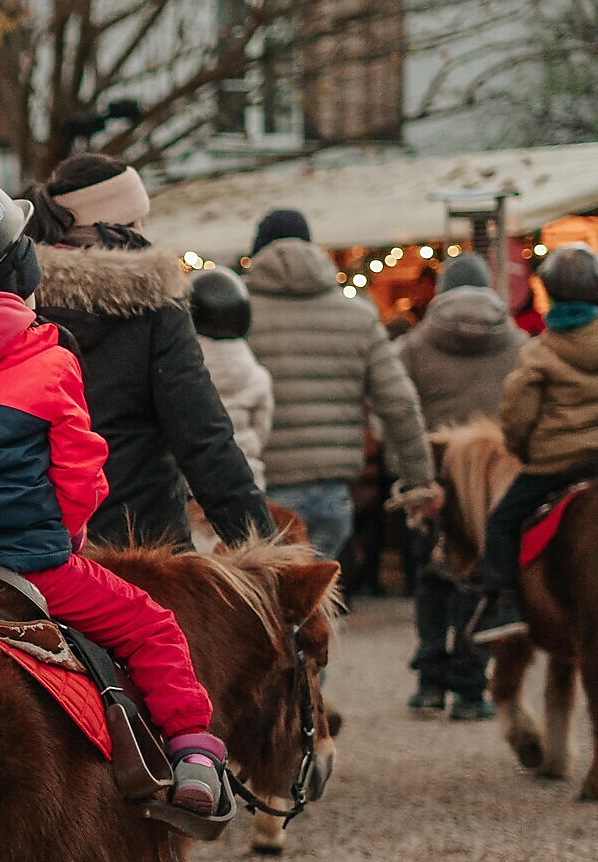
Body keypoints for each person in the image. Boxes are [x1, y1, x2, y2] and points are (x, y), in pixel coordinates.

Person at [0, 176, 229, 816]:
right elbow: (80, 470)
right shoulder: (50, 360)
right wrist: (64, 537)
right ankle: (190, 753)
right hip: (28, 566)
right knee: (151, 627)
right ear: (18, 267)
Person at [25, 155, 273, 549]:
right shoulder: (154, 303)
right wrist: (262, 544)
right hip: (144, 547)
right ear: (115, 229)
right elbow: (202, 437)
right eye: (138, 224)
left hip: (39, 546)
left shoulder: (16, 300)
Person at [243, 207, 440, 560]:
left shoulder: (235, 317)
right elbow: (398, 402)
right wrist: (419, 480)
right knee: (318, 588)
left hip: (258, 492)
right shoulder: (358, 317)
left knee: (263, 592)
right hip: (331, 493)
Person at [471, 244, 598, 644]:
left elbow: (518, 416)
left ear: (550, 293)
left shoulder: (539, 351)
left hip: (556, 466)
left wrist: (523, 451)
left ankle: (503, 604)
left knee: (501, 523)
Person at [396, 253, 524, 716]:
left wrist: (407, 473)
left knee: (431, 575)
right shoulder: (519, 343)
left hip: (433, 475)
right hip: (492, 479)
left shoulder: (413, 346)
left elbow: (395, 412)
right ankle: (471, 688)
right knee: (480, 574)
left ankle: (430, 683)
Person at [189, 265, 273, 489]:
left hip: (193, 484)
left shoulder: (182, 372)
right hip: (245, 480)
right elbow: (262, 431)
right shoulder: (257, 376)